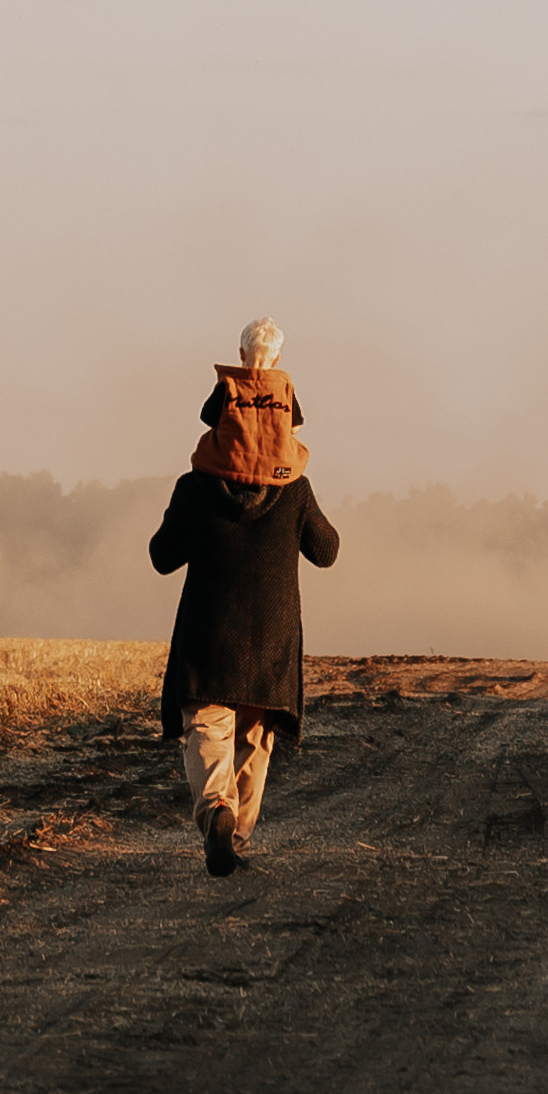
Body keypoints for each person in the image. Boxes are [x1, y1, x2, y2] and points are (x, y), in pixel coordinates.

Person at [150, 316, 340, 878]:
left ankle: (216, 815)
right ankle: (236, 834)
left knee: (208, 726)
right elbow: (326, 551)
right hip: (273, 639)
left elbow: (163, 557)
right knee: (254, 738)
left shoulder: (195, 486)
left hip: (208, 636)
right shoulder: (296, 489)